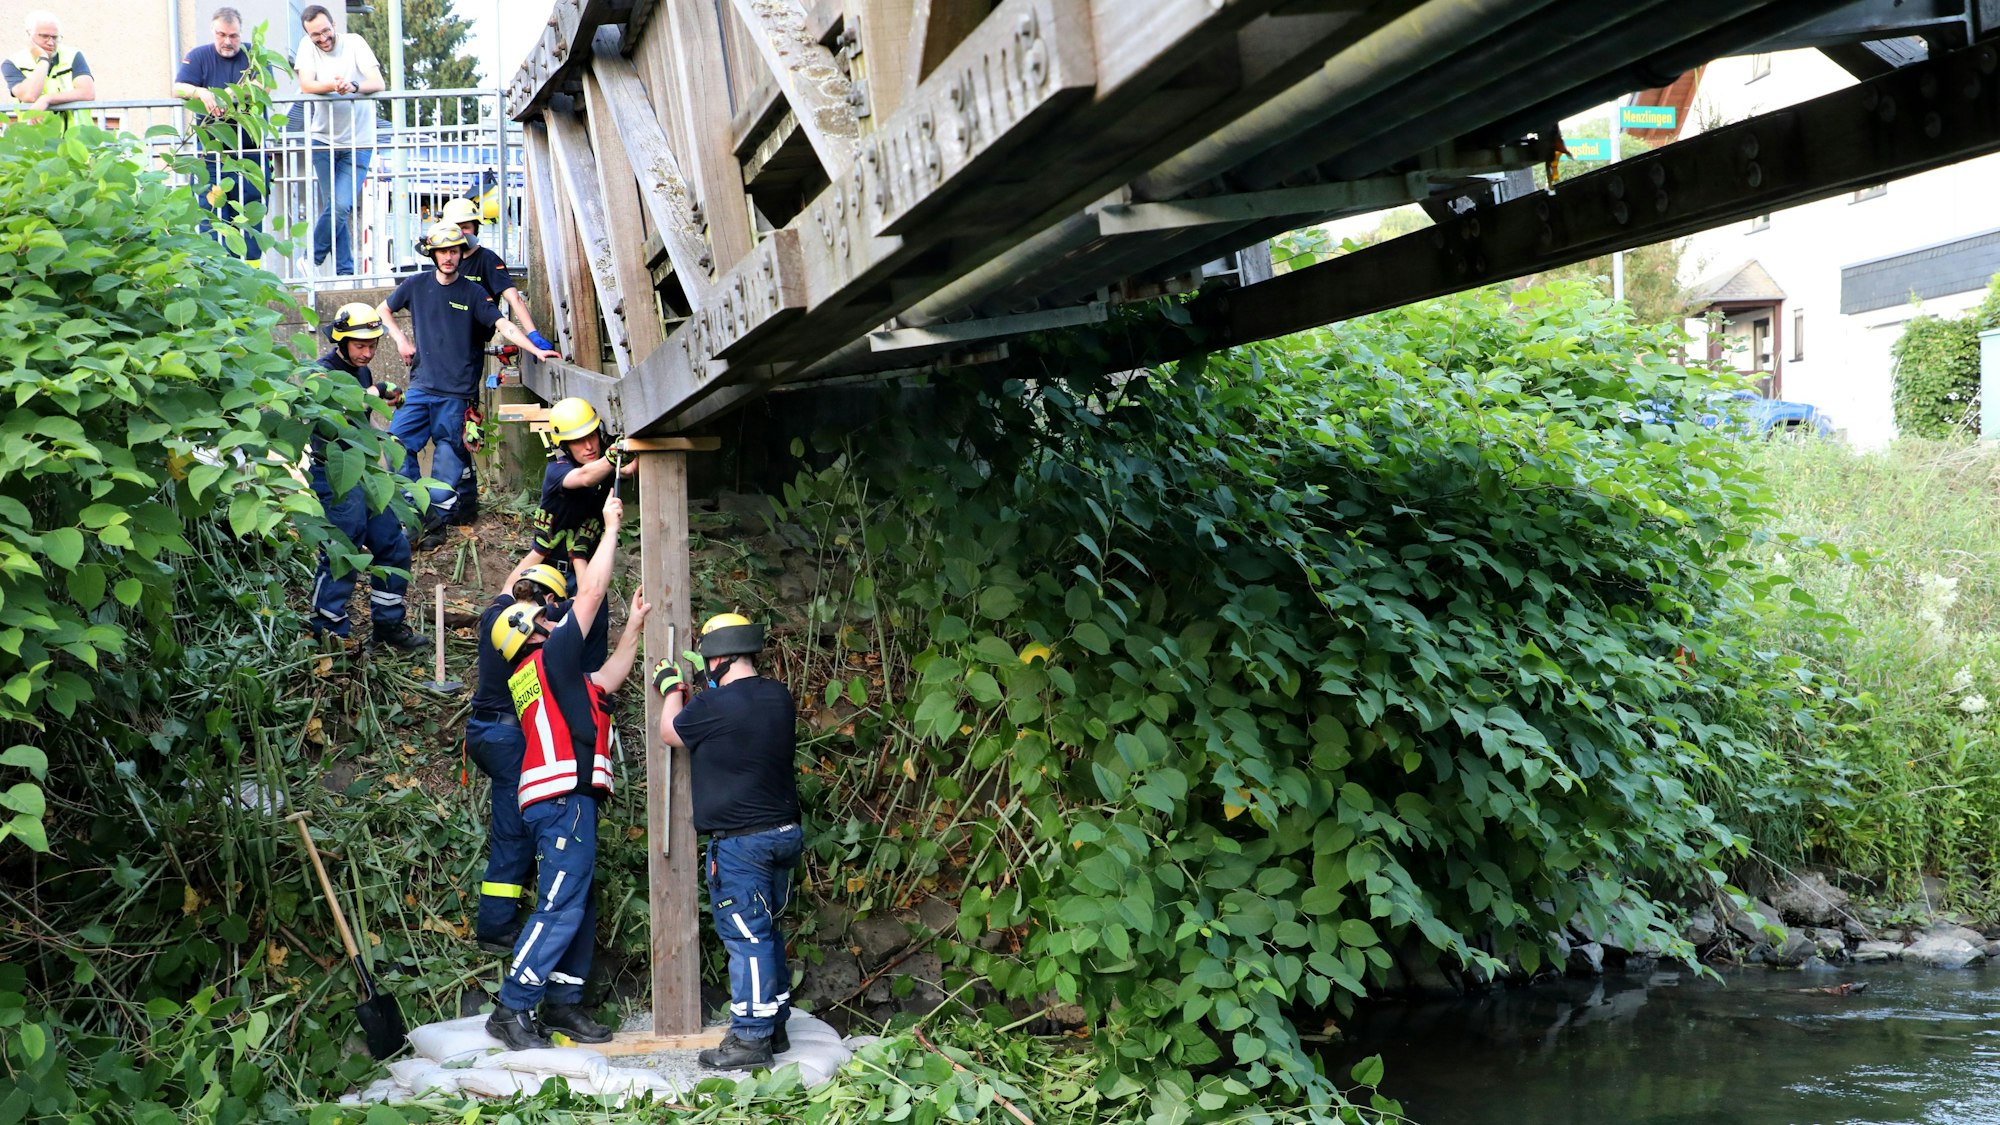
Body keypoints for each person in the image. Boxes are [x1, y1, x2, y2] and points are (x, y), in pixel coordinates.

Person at [486, 494, 648, 1051]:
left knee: (577, 903)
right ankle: (512, 1007)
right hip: (561, 804)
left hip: (561, 802)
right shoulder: (547, 659)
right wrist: (609, 529)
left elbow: (606, 679)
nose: (559, 617)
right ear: (534, 631)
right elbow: (593, 592)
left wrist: (635, 626)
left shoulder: (551, 673)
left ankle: (562, 1004)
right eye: (549, 617)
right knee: (560, 905)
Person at [657, 613, 802, 1070]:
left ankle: (751, 1038)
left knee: (746, 935)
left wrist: (672, 691)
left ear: (717, 658)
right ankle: (774, 1023)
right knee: (769, 929)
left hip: (742, 844)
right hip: (783, 834)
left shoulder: (710, 707)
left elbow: (670, 732)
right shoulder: (777, 695)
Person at [378, 222, 557, 544]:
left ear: (462, 253)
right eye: (443, 251)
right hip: (420, 389)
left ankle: (438, 526)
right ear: (432, 254)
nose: (449, 257)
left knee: (447, 464)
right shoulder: (415, 285)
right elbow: (383, 310)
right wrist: (401, 340)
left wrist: (535, 348)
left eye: (454, 251)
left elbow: (504, 324)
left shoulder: (474, 293)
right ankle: (417, 519)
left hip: (458, 397)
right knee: (395, 446)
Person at [306, 303, 427, 651]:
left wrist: (383, 401)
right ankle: (328, 637)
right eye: (360, 345)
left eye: (373, 345)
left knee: (393, 545)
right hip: (335, 473)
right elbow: (335, 413)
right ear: (341, 341)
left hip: (366, 471)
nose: (367, 352)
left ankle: (388, 626)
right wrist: (371, 396)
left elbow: (363, 414)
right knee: (342, 549)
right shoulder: (322, 373)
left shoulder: (361, 373)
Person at [466, 561, 570, 955]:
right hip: (508, 737)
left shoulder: (497, 615)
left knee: (513, 824)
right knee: (512, 833)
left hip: (482, 730)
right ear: (544, 599)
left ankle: (499, 918)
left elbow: (513, 583)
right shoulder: (530, 638)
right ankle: (495, 928)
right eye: (551, 606)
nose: (552, 614)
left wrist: (538, 551)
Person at [504, 398, 635, 591]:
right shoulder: (557, 470)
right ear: (565, 445)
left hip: (586, 570)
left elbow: (627, 469)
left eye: (592, 436)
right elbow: (584, 477)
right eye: (578, 441)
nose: (589, 446)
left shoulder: (605, 467)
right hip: (545, 572)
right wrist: (612, 456)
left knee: (592, 618)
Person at [293, 5, 382, 277]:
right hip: (323, 141)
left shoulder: (355, 43)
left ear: (334, 24)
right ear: (308, 34)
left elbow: (377, 82)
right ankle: (345, 272)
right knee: (336, 209)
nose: (322, 38)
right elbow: (306, 84)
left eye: (325, 31)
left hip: (359, 142)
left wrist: (352, 87)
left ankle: (311, 257)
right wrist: (334, 85)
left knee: (341, 205)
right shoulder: (306, 47)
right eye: (315, 35)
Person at [173, 8, 267, 261]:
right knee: (211, 217)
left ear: (241, 34)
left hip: (250, 156)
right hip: (211, 158)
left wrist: (228, 95)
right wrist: (202, 93)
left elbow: (261, 85)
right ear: (213, 32)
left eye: (234, 36)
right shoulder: (199, 56)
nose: (228, 41)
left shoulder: (253, 55)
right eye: (222, 34)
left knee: (249, 219)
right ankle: (215, 276)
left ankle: (250, 276)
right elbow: (178, 87)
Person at [440, 196, 556, 352]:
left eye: (466, 227)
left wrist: (532, 334)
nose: (461, 233)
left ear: (475, 228)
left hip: (471, 341)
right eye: (456, 227)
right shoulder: (445, 261)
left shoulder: (488, 260)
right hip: (443, 339)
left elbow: (514, 298)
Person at [4, 11, 93, 114]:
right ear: (29, 36)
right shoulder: (12, 63)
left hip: (74, 129)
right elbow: (30, 96)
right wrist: (43, 60)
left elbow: (88, 93)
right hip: (35, 129)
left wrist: (47, 99)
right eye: (44, 36)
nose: (51, 43)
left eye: (55, 37)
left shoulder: (72, 55)